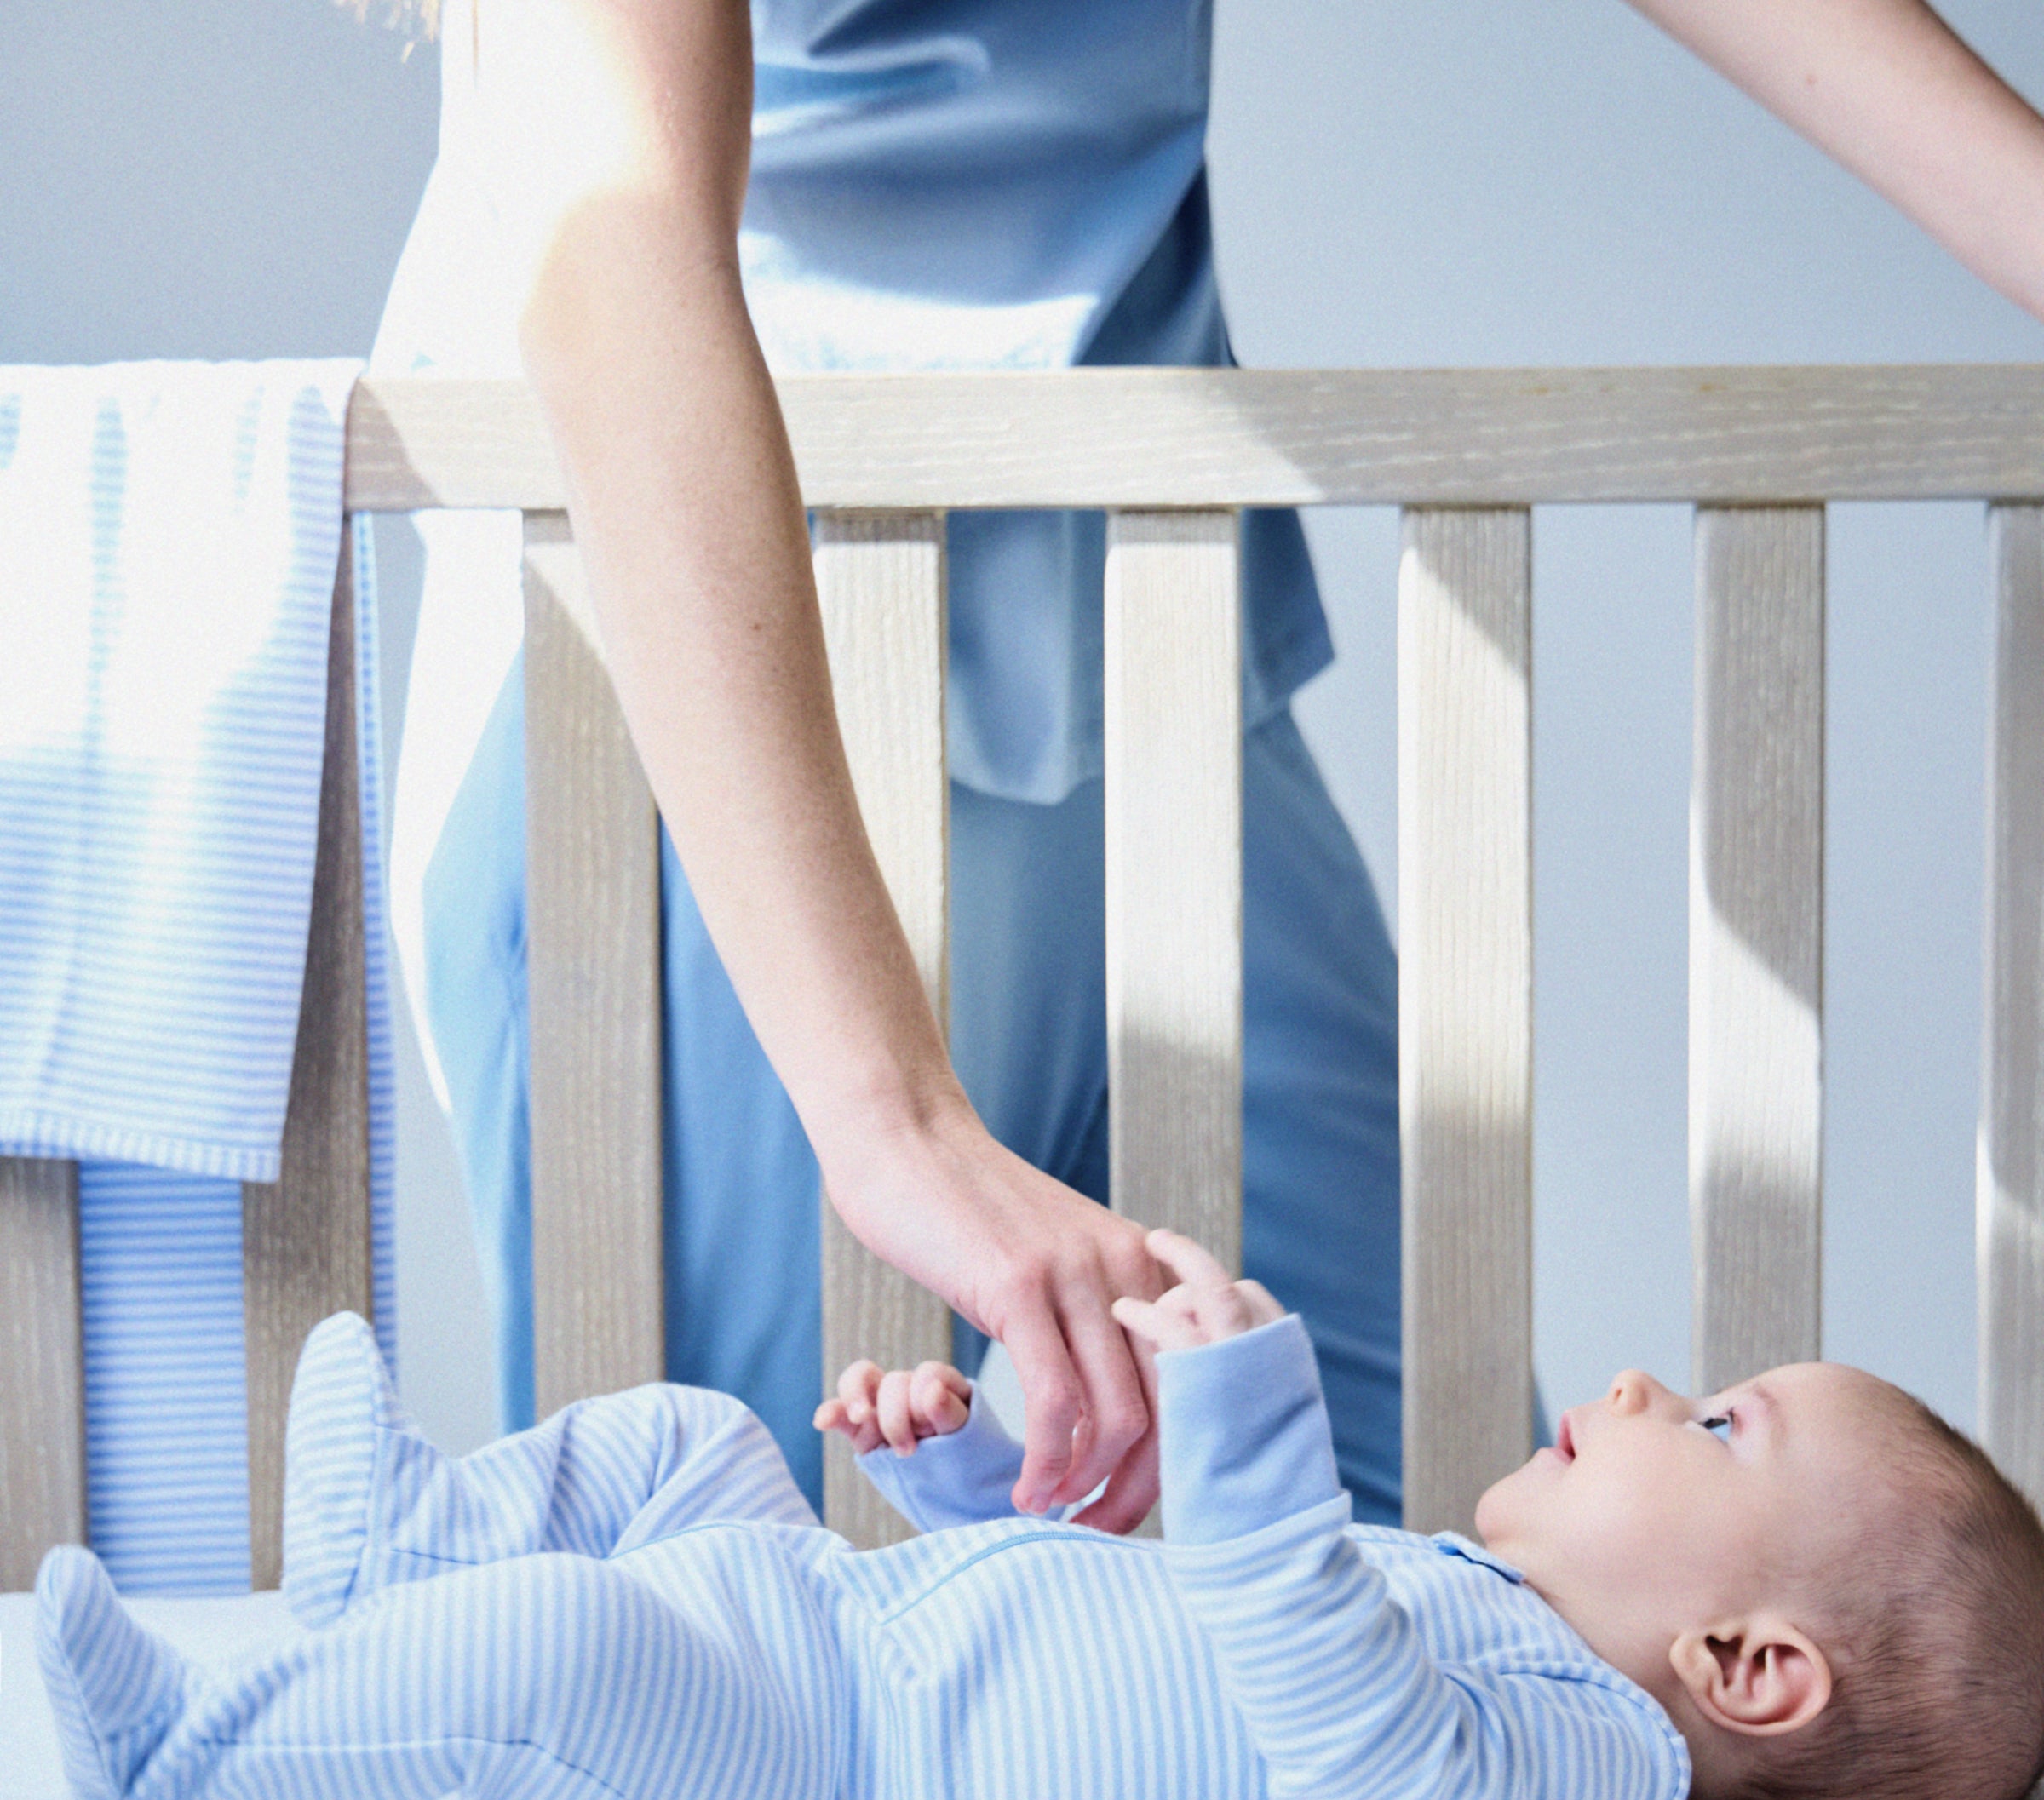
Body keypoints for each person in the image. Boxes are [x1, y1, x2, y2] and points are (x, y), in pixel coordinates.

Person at [373, 0, 2044, 1533]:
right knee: (755, 1614)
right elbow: (615, 253)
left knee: (1480, 1564)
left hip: (1149, 632)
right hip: (735, 692)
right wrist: (891, 1126)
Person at [34, 1246, 2044, 1800]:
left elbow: (1358, 1752)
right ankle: (400, 1564)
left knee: (566, 1652)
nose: (1643, 1385)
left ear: (1750, 1670)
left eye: (1721, 1420)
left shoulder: (1595, 1790)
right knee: (687, 1442)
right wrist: (973, 1489)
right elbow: (1126, 1640)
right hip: (838, 1647)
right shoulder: (1468, 1617)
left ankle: (178, 1753)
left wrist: (1257, 1441)